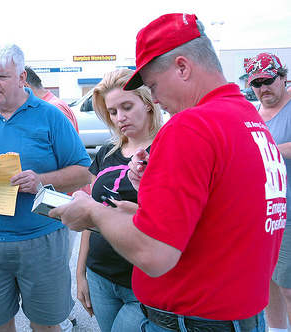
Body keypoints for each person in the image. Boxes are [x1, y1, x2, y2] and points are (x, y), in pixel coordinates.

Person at [50, 13, 287, 332]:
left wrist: (93, 213)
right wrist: (142, 208)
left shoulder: (191, 126)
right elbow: (225, 216)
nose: (156, 99)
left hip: (195, 320)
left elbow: (154, 253)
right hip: (238, 315)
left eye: (152, 85)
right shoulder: (248, 119)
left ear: (182, 67)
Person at [0, 43, 92, 332]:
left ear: (22, 77)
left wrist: (42, 180)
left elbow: (83, 173)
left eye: (1, 76)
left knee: (46, 325)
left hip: (43, 242)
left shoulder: (50, 116)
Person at [76, 68, 162, 332]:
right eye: (113, 112)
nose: (120, 118)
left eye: (127, 106)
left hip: (142, 280)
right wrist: (80, 273)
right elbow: (92, 213)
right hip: (99, 275)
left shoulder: (166, 149)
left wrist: (136, 213)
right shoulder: (106, 153)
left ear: (147, 104)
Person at [24, 65, 83, 331]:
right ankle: (63, 313)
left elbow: (70, 163)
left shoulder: (52, 110)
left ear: (26, 85)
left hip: (61, 200)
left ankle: (62, 317)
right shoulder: (58, 104)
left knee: (55, 267)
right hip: (62, 199)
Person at [246, 52, 291, 332]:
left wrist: (267, 150)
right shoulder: (253, 114)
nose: (263, 88)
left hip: (289, 216)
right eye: (256, 83)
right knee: (267, 285)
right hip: (262, 215)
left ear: (283, 77)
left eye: (269, 80)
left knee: (288, 288)